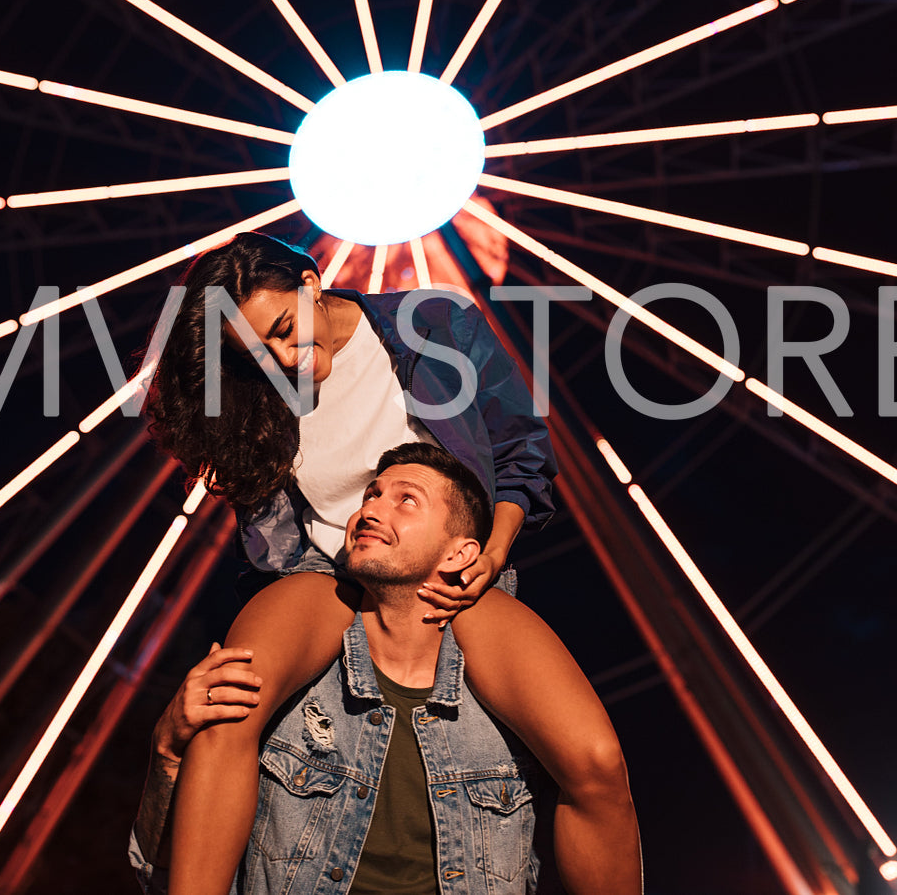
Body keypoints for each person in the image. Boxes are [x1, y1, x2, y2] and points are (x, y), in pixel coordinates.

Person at [145, 233, 641, 895]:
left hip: (453, 567)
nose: (283, 357)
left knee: (596, 762)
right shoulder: (257, 397)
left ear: (311, 282)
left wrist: (490, 553)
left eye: (287, 330)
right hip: (322, 577)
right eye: (259, 351)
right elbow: (271, 536)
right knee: (230, 711)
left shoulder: (432, 324)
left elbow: (519, 445)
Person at [130, 444, 550, 892]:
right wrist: (168, 754)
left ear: (460, 554)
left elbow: (599, 786)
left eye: (405, 500)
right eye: (370, 495)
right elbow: (160, 872)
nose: (370, 510)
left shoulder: (505, 709)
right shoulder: (292, 676)